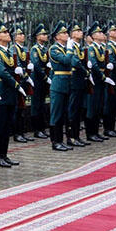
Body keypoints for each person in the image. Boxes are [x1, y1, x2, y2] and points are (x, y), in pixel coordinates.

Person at [0, 21, 23, 168]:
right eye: (4, 32)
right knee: (0, 125)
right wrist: (17, 84)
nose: (8, 34)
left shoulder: (10, 52)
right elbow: (2, 72)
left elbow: (15, 67)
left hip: (10, 93)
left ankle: (4, 154)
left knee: (7, 125)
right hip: (3, 91)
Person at [47, 20, 77, 152]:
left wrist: (69, 49)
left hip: (66, 83)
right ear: (57, 37)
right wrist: (70, 49)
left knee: (64, 114)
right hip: (58, 84)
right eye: (63, 33)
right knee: (57, 114)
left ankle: (62, 140)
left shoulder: (64, 49)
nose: (67, 35)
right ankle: (56, 141)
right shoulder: (54, 49)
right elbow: (66, 60)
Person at [83, 22, 111, 143]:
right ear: (93, 36)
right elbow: (94, 64)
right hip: (95, 80)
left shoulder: (102, 48)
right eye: (98, 32)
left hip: (101, 80)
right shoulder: (92, 48)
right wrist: (103, 76)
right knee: (92, 106)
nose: (101, 34)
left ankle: (96, 132)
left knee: (99, 105)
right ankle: (91, 133)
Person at [66, 20, 90, 147]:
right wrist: (86, 71)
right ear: (72, 34)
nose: (81, 33)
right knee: (73, 109)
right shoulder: (70, 46)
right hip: (74, 79)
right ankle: (71, 137)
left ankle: (77, 136)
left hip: (80, 80)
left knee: (79, 109)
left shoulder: (78, 46)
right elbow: (75, 62)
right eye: (78, 31)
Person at [11, 25, 34, 143]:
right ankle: (17, 134)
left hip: (24, 81)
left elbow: (26, 62)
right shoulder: (12, 48)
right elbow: (17, 64)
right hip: (18, 81)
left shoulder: (24, 49)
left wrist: (30, 68)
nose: (22, 36)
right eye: (20, 34)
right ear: (15, 37)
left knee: (22, 109)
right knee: (17, 109)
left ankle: (22, 132)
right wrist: (26, 76)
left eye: (22, 34)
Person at [29, 24, 51, 139]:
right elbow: (36, 65)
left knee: (42, 103)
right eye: (43, 34)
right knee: (36, 104)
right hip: (37, 79)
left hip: (43, 79)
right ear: (37, 37)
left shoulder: (45, 49)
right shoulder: (34, 49)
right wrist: (45, 77)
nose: (46, 36)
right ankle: (37, 130)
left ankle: (42, 128)